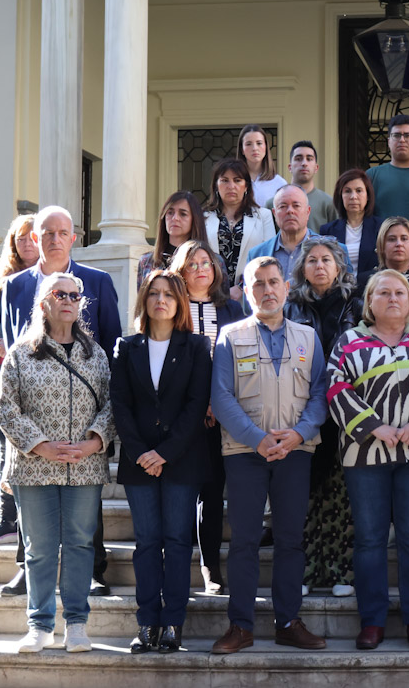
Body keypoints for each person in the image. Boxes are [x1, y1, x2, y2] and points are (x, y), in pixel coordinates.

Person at [327, 270, 409, 650]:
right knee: (369, 539)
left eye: (400, 292)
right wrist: (371, 427)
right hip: (364, 454)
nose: (392, 298)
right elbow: (335, 387)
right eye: (383, 292)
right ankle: (372, 621)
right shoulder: (350, 342)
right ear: (369, 302)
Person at [0, 205, 121, 598]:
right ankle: (26, 566)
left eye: (61, 232)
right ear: (34, 239)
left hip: (84, 415)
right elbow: (11, 346)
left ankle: (93, 568)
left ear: (73, 237)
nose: (53, 239)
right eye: (45, 233)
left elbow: (114, 344)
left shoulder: (97, 282)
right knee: (28, 496)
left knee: (86, 501)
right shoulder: (15, 286)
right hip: (32, 415)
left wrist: (100, 426)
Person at [209, 256, 328, 654]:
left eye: (274, 282)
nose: (267, 290)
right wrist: (258, 439)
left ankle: (288, 621)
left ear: (286, 288)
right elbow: (221, 397)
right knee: (243, 540)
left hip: (295, 452)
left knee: (291, 540)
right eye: (258, 283)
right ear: (246, 290)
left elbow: (319, 396)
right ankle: (240, 626)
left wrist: (297, 434)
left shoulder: (308, 337)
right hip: (244, 452)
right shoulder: (230, 335)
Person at [0, 272, 114, 653]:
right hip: (33, 467)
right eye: (59, 293)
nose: (68, 299)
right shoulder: (20, 353)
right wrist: (41, 445)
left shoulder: (95, 355)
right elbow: (5, 408)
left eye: (74, 295)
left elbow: (113, 405)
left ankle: (76, 625)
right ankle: (39, 625)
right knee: (39, 548)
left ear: (81, 303)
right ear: (43, 302)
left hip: (84, 466)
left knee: (80, 545)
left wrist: (94, 442)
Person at [110, 270, 212, 653]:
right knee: (147, 543)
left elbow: (195, 405)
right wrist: (140, 452)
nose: (161, 300)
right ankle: (147, 624)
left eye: (169, 294)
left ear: (180, 301)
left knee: (177, 542)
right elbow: (120, 404)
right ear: (144, 300)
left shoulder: (197, 347)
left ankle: (173, 624)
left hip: (181, 460)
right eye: (154, 293)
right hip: (139, 463)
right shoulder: (126, 346)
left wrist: (164, 452)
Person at [285, 236, 363, 599]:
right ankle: (305, 569)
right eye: (312, 260)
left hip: (347, 407)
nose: (318, 266)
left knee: (340, 494)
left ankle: (340, 572)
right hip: (300, 408)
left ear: (338, 266)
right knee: (303, 494)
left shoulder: (357, 304)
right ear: (302, 267)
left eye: (326, 260)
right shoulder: (290, 306)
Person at [167, 239, 245, 595]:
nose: (200, 268)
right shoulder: (170, 307)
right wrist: (196, 405)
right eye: (192, 263)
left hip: (222, 415)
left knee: (213, 494)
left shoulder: (231, 309)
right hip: (180, 416)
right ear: (180, 271)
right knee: (180, 494)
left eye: (206, 262)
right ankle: (176, 565)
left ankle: (210, 567)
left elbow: (238, 362)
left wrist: (217, 402)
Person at [0, 214, 38, 547]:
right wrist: (10, 347)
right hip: (1, 366)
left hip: (41, 369)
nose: (26, 243)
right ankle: (7, 519)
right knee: (5, 440)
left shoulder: (50, 276)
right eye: (20, 238)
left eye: (31, 237)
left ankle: (34, 519)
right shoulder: (0, 275)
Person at [203, 157, 277, 303]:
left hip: (252, 295)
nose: (231, 186)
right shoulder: (203, 217)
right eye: (225, 180)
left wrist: (242, 286)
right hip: (210, 294)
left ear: (246, 186)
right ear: (216, 185)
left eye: (237, 180)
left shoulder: (263, 216)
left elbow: (268, 256)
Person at [138, 191, 229, 294]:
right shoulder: (146, 262)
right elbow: (142, 305)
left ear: (194, 220)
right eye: (170, 212)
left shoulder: (214, 262)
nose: (175, 218)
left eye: (183, 214)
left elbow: (223, 304)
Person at [247, 184, 348, 276]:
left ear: (308, 212)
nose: (290, 211)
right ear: (274, 213)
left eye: (296, 206)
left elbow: (346, 292)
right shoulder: (256, 255)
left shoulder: (336, 252)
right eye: (283, 206)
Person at [320, 168, 383, 279]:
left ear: (368, 196)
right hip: (337, 292)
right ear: (341, 196)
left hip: (371, 289)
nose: (353, 196)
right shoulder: (327, 231)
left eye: (359, 191)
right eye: (347, 191)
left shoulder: (381, 227)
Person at [286, 140, 338, 232]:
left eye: (309, 159)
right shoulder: (275, 203)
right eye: (298, 159)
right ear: (290, 167)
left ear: (316, 167)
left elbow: (334, 242)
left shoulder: (328, 204)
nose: (304, 163)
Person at [237, 124, 287, 208]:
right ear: (242, 149)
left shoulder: (279, 184)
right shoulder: (233, 182)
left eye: (259, 143)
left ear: (266, 147)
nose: (254, 148)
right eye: (248, 144)